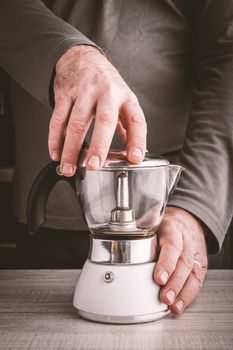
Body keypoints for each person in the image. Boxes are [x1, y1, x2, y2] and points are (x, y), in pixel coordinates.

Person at [0, 0, 233, 315]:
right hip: (47, 225)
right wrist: (66, 54)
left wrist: (195, 202)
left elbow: (227, 56)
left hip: (174, 226)